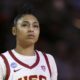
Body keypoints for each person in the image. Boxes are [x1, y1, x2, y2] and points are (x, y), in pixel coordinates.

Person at [0, 4, 58, 80]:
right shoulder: (3, 60)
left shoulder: (48, 59)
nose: (31, 29)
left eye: (35, 26)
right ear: (14, 30)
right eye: (25, 25)